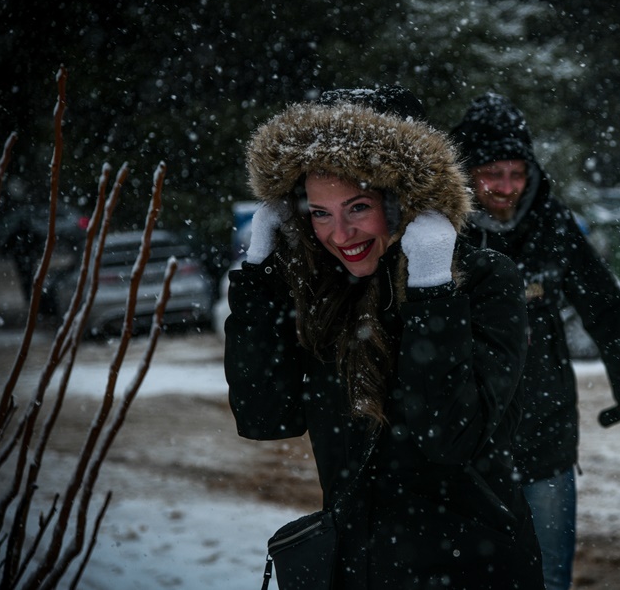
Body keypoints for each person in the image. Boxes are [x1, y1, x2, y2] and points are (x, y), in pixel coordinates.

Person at [224, 87, 544, 589]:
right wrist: (260, 280)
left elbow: (448, 437)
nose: (340, 234)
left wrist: (433, 289)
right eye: (320, 212)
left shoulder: (483, 280)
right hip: (355, 569)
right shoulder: (322, 294)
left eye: (357, 206)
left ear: (406, 201)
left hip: (470, 570)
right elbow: (265, 416)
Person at [449, 92, 620, 590]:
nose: (506, 187)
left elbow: (609, 312)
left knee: (547, 579)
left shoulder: (552, 226)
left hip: (543, 441)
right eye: (491, 173)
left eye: (516, 173)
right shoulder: (439, 234)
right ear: (466, 172)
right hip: (463, 452)